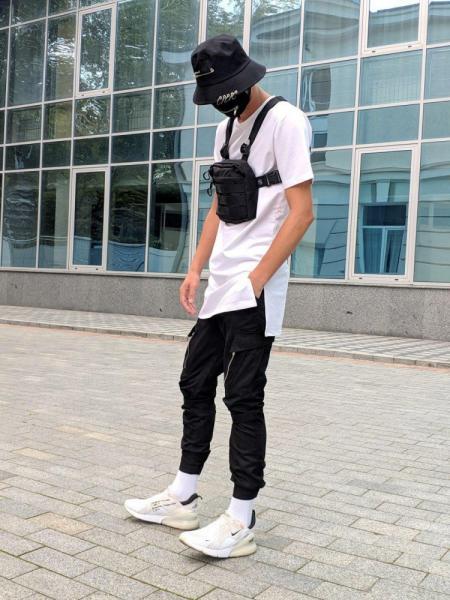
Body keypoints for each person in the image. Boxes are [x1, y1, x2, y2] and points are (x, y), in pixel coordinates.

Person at [125, 33, 314, 559]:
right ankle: (183, 496)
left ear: (246, 78)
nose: (223, 102)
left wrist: (257, 280)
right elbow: (217, 207)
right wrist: (195, 268)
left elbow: (302, 213)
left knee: (243, 398)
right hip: (221, 285)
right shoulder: (226, 129)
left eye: (226, 91)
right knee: (194, 383)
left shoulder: (286, 121)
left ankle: (241, 517)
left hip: (255, 288)